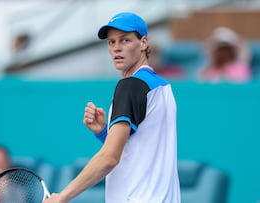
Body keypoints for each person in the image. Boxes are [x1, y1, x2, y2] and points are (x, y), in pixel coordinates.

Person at [43, 12, 180, 203]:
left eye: (125, 40)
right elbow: (138, 152)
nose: (116, 48)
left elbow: (109, 158)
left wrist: (63, 196)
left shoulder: (131, 86)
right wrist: (103, 133)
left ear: (143, 43)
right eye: (111, 42)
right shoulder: (163, 87)